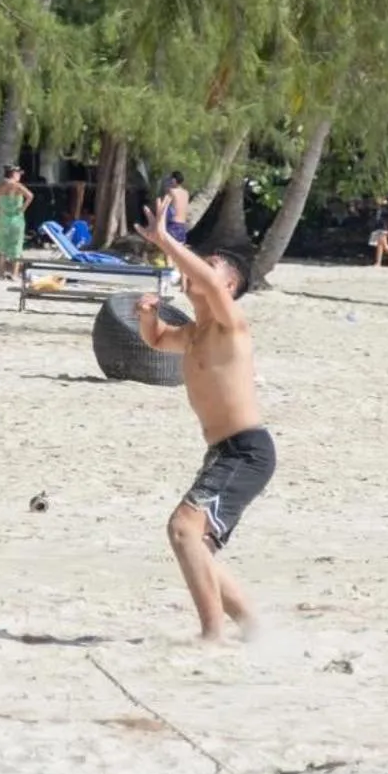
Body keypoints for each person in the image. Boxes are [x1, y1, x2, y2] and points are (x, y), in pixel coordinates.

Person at [133, 207, 273, 642]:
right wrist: (146, 316)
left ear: (229, 287)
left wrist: (166, 241)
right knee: (198, 546)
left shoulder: (230, 325)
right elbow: (155, 339)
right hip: (224, 453)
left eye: (209, 266)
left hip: (246, 450)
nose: (193, 269)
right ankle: (255, 628)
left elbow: (209, 282)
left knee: (182, 528)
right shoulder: (194, 333)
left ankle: (212, 633)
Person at [0, 166, 33, 281]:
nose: (20, 176)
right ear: (14, 174)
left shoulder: (1, 187)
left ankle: (0, 273)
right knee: (16, 246)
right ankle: (14, 274)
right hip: (17, 219)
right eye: (18, 174)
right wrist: (22, 208)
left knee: (2, 246)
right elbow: (30, 196)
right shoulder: (18, 187)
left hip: (4, 218)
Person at [156, 172, 192, 244]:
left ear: (174, 180)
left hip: (173, 225)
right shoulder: (186, 193)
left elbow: (163, 206)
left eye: (170, 179)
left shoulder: (172, 191)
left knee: (167, 250)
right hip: (182, 226)